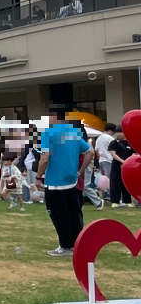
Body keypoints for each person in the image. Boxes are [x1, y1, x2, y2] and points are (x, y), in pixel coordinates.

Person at [37, 106, 92, 256]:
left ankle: (66, 246)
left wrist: (38, 177)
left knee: (59, 214)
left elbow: (44, 158)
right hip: (72, 180)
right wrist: (80, 171)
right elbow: (90, 152)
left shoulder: (48, 133)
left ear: (53, 117)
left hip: (55, 182)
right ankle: (77, 244)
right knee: (74, 213)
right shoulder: (74, 132)